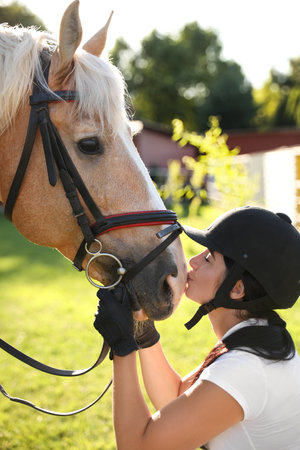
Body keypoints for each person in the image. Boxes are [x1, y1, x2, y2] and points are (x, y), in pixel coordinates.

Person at [93, 206, 300, 450]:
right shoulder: (258, 340)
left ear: (236, 289)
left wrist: (123, 346)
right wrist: (143, 332)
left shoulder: (245, 369)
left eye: (209, 258)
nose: (193, 261)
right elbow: (177, 396)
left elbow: (137, 446)